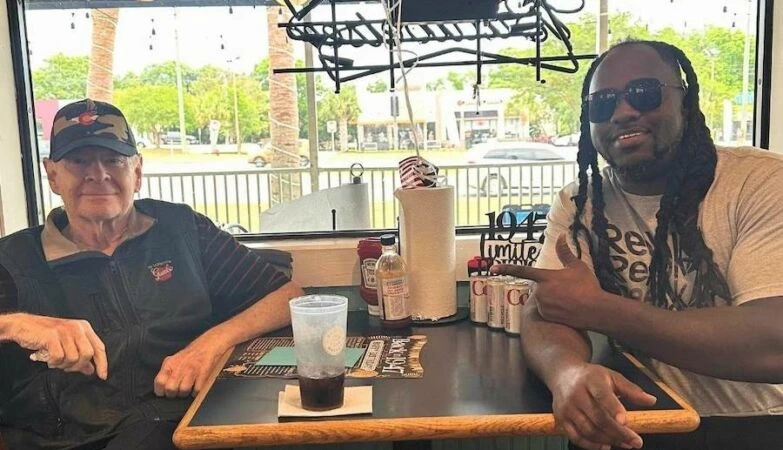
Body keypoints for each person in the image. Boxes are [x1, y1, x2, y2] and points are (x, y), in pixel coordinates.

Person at [493, 40, 783, 450]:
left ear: (684, 100)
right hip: (632, 419)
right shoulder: (580, 201)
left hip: (753, 424)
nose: (624, 111)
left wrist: (601, 310)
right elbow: (548, 310)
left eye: (645, 93)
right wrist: (567, 374)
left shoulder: (760, 183)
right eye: (603, 103)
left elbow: (774, 343)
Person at [0, 99, 304, 449]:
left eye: (113, 159)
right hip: (69, 438)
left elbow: (289, 298)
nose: (97, 174)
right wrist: (16, 325)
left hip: (189, 427)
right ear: (52, 174)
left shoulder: (183, 229)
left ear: (137, 172)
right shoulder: (12, 259)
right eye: (78, 161)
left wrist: (211, 344)